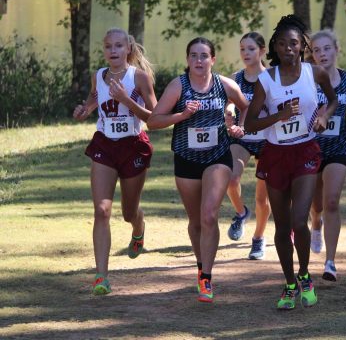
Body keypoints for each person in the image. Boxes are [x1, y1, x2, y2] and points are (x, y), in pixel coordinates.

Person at [244, 15, 338, 310]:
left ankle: (305, 275)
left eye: (293, 43)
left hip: (305, 152)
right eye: (282, 43)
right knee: (282, 226)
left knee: (300, 219)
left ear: (302, 47)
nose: (287, 48)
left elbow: (333, 100)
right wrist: (279, 116)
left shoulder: (315, 73)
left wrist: (323, 116)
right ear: (274, 47)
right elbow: (249, 125)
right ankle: (288, 284)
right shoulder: (265, 80)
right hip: (275, 154)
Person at [146, 37, 248, 303]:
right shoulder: (178, 86)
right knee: (195, 222)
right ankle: (201, 264)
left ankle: (207, 277)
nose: (199, 61)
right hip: (187, 159)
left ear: (213, 59)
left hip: (218, 156)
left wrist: (239, 126)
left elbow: (247, 107)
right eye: (193, 56)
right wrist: (182, 116)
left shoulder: (225, 85)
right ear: (187, 60)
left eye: (204, 56)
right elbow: (154, 121)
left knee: (209, 214)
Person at [72, 28, 157, 295]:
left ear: (128, 49)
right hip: (105, 146)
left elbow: (154, 117)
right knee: (102, 210)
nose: (113, 51)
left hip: (133, 147)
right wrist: (83, 111)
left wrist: (126, 100)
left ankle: (138, 228)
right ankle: (101, 277)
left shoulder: (139, 78)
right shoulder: (99, 76)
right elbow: (92, 102)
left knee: (128, 212)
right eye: (108, 46)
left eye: (118, 46)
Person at [308, 29, 346, 282]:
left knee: (332, 201)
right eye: (317, 50)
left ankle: (330, 262)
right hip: (310, 149)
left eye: (326, 49)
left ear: (336, 49)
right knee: (316, 205)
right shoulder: (306, 79)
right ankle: (316, 222)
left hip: (338, 149)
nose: (322, 54)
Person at [225, 32, 271, 260]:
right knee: (231, 180)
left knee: (263, 199)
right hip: (242, 138)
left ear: (262, 51)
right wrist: (229, 113)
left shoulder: (272, 77)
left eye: (251, 49)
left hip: (267, 141)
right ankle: (241, 213)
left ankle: (258, 239)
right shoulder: (236, 77)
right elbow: (230, 105)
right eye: (242, 49)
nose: (246, 54)